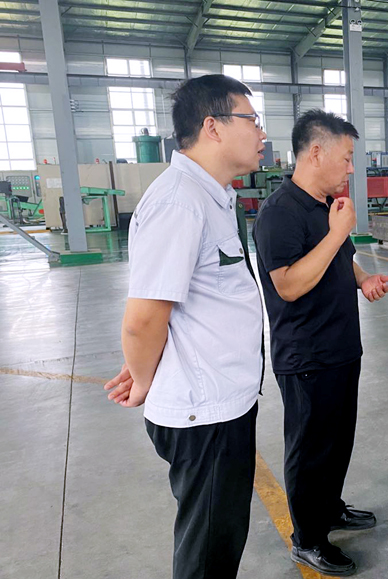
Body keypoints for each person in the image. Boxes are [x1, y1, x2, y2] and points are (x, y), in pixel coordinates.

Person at [103, 74, 266, 579]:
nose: (261, 133)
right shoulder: (179, 201)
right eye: (252, 120)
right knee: (207, 556)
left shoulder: (214, 196)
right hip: (204, 417)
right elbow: (143, 319)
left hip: (223, 404)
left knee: (220, 540)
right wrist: (144, 378)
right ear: (213, 127)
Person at [253, 109, 388, 577]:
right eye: (347, 157)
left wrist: (363, 279)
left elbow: (342, 258)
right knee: (310, 450)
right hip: (306, 355)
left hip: (341, 348)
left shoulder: (326, 206)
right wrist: (336, 233)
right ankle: (308, 539)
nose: (351, 167)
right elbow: (289, 285)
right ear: (316, 152)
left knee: (336, 442)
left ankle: (328, 509)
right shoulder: (280, 213)